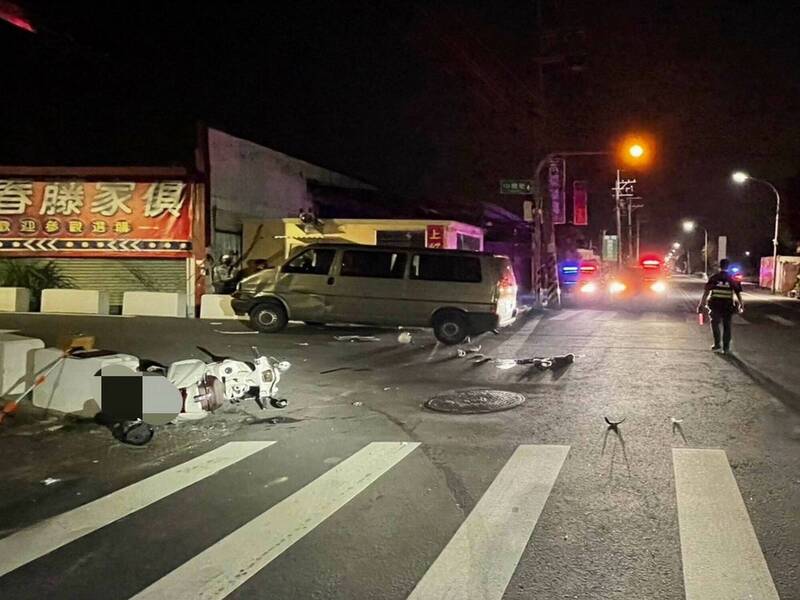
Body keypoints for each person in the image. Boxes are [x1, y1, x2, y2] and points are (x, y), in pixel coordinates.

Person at [697, 259, 743, 354]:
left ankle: (717, 344)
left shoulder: (714, 278)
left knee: (715, 324)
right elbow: (738, 293)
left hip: (715, 305)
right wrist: (741, 305)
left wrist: (701, 304)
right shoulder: (732, 279)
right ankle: (726, 348)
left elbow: (706, 292)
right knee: (727, 326)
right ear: (728, 266)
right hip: (728, 306)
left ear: (719, 266)